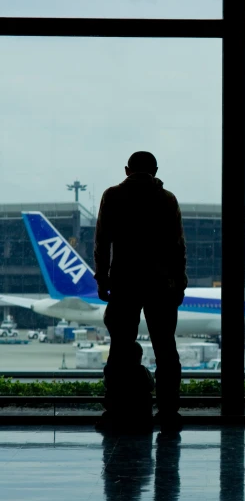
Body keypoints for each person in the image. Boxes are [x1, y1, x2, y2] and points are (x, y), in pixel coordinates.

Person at [94, 151, 187, 432]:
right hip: (160, 284)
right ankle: (169, 411)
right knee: (166, 350)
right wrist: (179, 284)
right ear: (156, 171)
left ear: (126, 170)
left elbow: (102, 242)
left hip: (125, 282)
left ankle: (117, 408)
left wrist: (102, 279)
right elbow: (177, 248)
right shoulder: (167, 199)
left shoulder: (112, 196)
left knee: (120, 348)